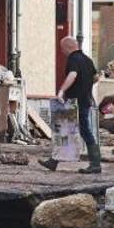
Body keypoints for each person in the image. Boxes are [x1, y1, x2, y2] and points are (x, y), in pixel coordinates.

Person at [38, 37, 102, 174]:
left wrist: (61, 91)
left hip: (74, 101)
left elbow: (73, 75)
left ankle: (95, 164)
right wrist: (86, 86)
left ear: (67, 47)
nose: (62, 51)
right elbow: (96, 77)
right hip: (85, 100)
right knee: (66, 130)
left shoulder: (73, 59)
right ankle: (54, 161)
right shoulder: (87, 60)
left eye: (62, 49)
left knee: (77, 130)